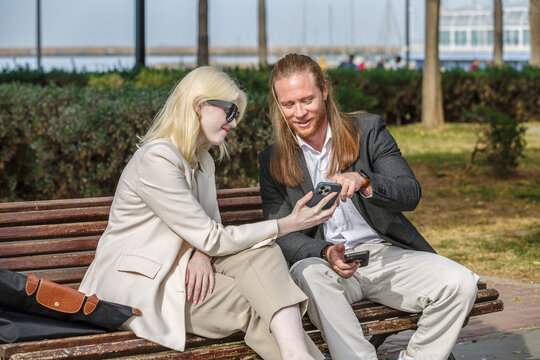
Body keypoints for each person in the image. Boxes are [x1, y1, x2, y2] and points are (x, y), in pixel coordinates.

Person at [79, 66, 339, 360]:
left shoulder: (202, 161)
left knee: (264, 255)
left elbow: (209, 231)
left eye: (237, 115)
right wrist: (287, 224)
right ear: (199, 105)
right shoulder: (157, 159)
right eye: (230, 112)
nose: (235, 123)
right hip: (139, 289)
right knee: (258, 302)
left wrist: (202, 254)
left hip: (181, 274)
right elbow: (211, 235)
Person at [258, 53, 480, 360]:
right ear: (278, 104)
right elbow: (282, 234)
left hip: (384, 254)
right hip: (325, 265)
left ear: (324, 90)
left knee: (461, 284)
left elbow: (409, 192)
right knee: (307, 273)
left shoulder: (368, 131)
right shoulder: (273, 159)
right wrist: (324, 252)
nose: (299, 112)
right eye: (288, 104)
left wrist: (366, 181)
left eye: (307, 100)